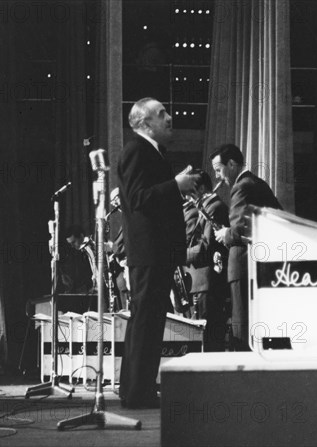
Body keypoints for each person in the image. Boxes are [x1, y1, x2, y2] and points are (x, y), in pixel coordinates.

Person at [117, 97, 200, 409]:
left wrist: (176, 186)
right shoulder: (137, 150)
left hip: (155, 252)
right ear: (144, 122)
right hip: (149, 252)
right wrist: (175, 185)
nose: (170, 117)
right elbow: (138, 199)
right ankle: (137, 392)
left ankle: (136, 389)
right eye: (162, 113)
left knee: (148, 321)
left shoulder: (150, 152)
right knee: (146, 321)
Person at [211, 144, 282, 351]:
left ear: (232, 164)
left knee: (242, 326)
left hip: (244, 263)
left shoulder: (241, 185)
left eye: (218, 169)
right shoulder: (255, 183)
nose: (217, 177)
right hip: (257, 261)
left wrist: (226, 233)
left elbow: (240, 228)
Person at [183, 169, 230, 351]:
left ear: (201, 188)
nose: (186, 197)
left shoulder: (214, 207)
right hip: (200, 282)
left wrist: (178, 255)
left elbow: (205, 248)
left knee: (209, 340)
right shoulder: (204, 208)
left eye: (189, 191)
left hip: (208, 283)